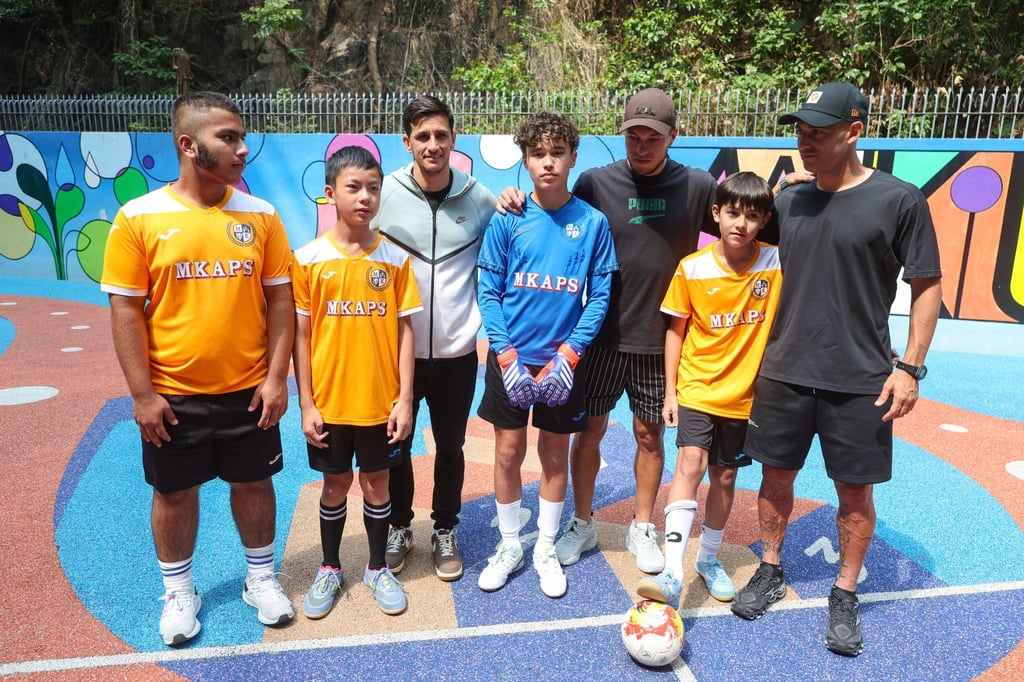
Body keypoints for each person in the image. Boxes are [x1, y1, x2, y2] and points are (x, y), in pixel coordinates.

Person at [730, 82, 942, 658]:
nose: (806, 141)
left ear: (854, 131)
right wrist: (777, 191)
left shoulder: (899, 201)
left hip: (861, 378)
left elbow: (927, 288)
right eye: (801, 130)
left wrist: (910, 368)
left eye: (819, 132)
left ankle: (844, 592)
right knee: (774, 480)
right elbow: (733, 233)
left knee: (853, 495)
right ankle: (770, 567)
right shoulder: (791, 201)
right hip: (784, 371)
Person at [100, 91, 295, 646]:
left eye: (240, 136)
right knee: (175, 494)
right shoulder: (138, 217)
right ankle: (180, 591)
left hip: (248, 392)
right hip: (172, 395)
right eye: (227, 138)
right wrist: (142, 395)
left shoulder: (260, 214)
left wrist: (277, 377)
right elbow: (125, 310)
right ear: (188, 145)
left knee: (255, 483)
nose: (241, 148)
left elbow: (280, 300)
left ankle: (260, 579)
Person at [499, 88, 718, 574]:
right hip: (596, 336)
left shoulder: (699, 186)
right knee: (590, 430)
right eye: (633, 137)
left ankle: (643, 526)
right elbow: (552, 214)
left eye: (653, 139)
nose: (641, 147)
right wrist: (511, 196)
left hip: (661, 339)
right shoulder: (596, 183)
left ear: (673, 137)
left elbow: (748, 220)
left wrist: (794, 194)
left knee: (648, 434)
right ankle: (582, 521)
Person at [476, 112, 618, 598]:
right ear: (525, 160)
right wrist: (505, 353)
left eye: (558, 153)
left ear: (574, 157)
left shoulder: (593, 222)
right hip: (511, 358)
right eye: (538, 154)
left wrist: (572, 354)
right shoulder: (508, 218)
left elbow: (599, 295)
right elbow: (489, 289)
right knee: (508, 451)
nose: (548, 162)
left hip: (563, 363)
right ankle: (512, 544)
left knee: (554, 454)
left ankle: (546, 548)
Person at [636, 172, 781, 606]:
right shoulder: (692, 268)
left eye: (752, 216)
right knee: (691, 463)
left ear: (764, 220)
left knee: (726, 475)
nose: (740, 223)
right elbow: (675, 332)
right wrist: (670, 393)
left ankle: (709, 558)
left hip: (743, 396)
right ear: (716, 214)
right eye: (732, 213)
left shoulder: (775, 263)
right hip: (697, 387)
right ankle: (672, 570)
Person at [292, 146, 422, 617]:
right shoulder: (306, 260)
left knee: (378, 484)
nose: (365, 197)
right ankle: (330, 568)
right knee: (334, 485)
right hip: (329, 404)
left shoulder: (394, 259)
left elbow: (406, 331)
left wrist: (405, 400)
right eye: (354, 187)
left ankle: (375, 568)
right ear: (330, 194)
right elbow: (301, 336)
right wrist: (306, 404)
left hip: (379, 403)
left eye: (373, 188)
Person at [372, 95, 497, 582]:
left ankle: (445, 528)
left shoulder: (479, 197)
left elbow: (510, 232)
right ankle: (401, 525)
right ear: (407, 142)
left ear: (453, 139)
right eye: (422, 136)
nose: (432, 144)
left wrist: (514, 201)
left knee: (451, 446)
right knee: (396, 445)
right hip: (394, 353)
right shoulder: (383, 194)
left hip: (457, 354)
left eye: (440, 135)